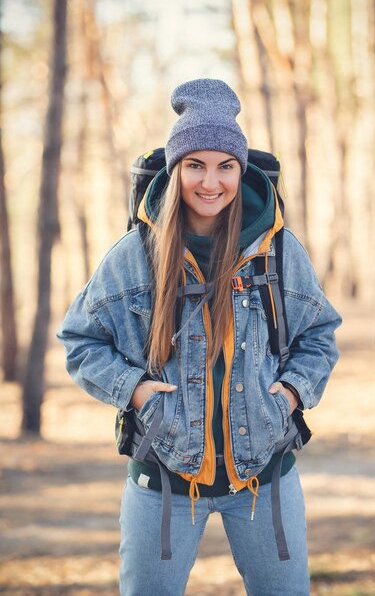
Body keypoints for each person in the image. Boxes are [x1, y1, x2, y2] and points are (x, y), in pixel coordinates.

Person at [57, 78, 342, 596]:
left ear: (241, 170)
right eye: (195, 165)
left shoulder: (276, 251)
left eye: (225, 166)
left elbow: (320, 333)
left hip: (266, 480)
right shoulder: (133, 255)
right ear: (175, 169)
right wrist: (136, 390)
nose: (210, 182)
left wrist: (294, 392)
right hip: (162, 482)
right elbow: (80, 341)